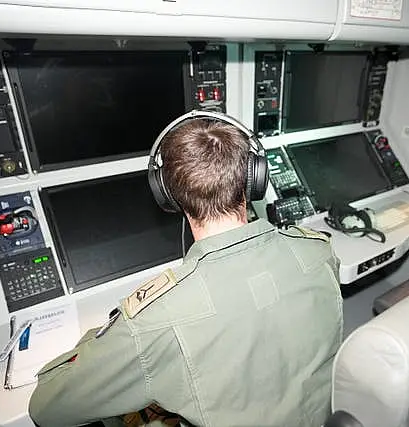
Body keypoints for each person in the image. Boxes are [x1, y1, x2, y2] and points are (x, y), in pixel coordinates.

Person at [28, 114, 343, 427]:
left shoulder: (156, 318)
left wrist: (99, 340)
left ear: (167, 194)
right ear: (253, 178)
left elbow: (46, 409)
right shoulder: (318, 250)